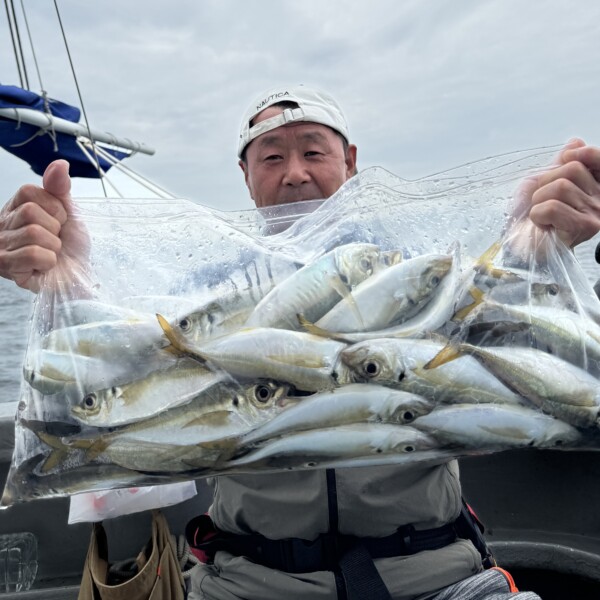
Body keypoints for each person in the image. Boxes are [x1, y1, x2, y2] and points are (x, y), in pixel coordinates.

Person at [2, 85, 600, 600]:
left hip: (438, 573)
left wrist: (536, 247)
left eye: (315, 151)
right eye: (271, 156)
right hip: (245, 582)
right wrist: (68, 282)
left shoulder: (416, 273)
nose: (295, 171)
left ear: (351, 161)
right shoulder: (199, 299)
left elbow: (496, 336)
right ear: (245, 174)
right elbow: (124, 364)